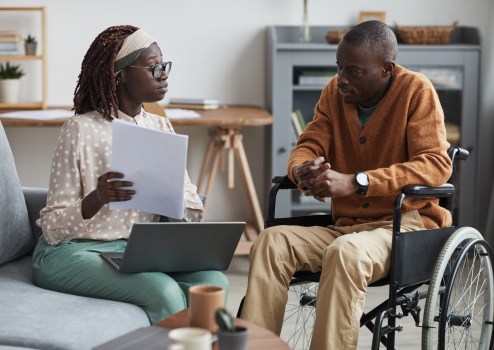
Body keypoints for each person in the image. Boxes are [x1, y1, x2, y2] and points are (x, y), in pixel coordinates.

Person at [240, 20, 452, 349]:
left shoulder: (416, 90)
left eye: (353, 71)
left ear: (386, 69)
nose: (341, 79)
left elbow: (436, 165)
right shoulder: (333, 94)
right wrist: (302, 171)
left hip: (404, 227)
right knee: (270, 241)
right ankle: (253, 346)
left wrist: (358, 182)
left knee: (345, 252)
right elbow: (308, 145)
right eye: (339, 68)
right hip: (347, 227)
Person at [32, 25, 228, 324]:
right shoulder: (80, 129)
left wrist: (174, 202)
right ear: (120, 73)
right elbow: (52, 229)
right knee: (162, 290)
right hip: (74, 252)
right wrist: (98, 197)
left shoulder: (161, 127)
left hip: (139, 249)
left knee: (215, 282)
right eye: (154, 68)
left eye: (165, 66)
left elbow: (191, 209)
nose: (164, 76)